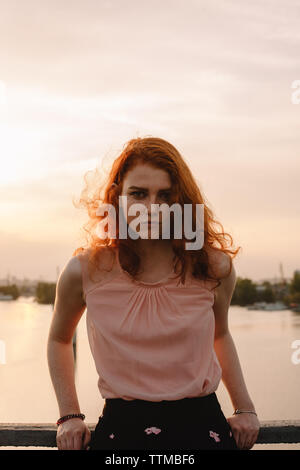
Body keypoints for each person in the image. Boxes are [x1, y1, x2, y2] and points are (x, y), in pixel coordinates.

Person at [47, 136, 260, 451]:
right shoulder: (85, 270)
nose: (152, 208)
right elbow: (59, 340)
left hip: (203, 430)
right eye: (138, 194)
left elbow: (221, 335)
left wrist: (244, 407)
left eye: (165, 195)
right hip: (122, 433)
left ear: (182, 201)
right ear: (118, 197)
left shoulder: (214, 268)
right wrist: (69, 415)